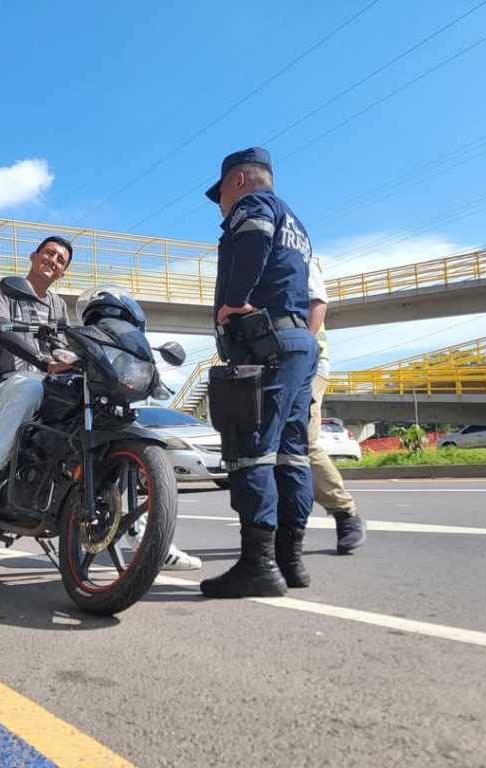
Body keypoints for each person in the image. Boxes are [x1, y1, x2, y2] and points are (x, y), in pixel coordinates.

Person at [200, 147, 319, 599]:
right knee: (291, 453)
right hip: (296, 342)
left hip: (267, 342)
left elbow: (253, 237)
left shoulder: (255, 207)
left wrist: (234, 297)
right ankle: (290, 560)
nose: (222, 208)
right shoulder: (298, 223)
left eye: (222, 197)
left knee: (250, 446)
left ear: (238, 180)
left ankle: (258, 566)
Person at [0, 236, 75, 505]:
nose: (53, 260)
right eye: (49, 253)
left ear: (63, 273)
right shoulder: (4, 288)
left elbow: (63, 346)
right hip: (6, 384)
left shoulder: (58, 305)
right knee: (30, 386)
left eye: (60, 260)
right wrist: (43, 362)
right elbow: (0, 329)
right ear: (33, 256)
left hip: (47, 387)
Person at [307, 263, 367, 554]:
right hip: (268, 366)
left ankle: (346, 513)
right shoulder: (247, 253)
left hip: (307, 363)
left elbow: (318, 301)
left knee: (302, 440)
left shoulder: (292, 247)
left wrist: (300, 349)